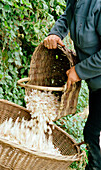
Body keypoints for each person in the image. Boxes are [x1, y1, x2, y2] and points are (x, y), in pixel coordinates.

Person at [44, 0, 101, 169]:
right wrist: (56, 33)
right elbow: (68, 16)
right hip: (97, 81)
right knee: (92, 131)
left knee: (94, 133)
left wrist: (79, 71)